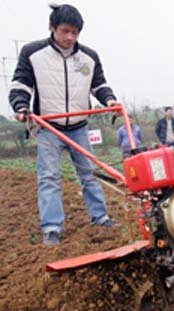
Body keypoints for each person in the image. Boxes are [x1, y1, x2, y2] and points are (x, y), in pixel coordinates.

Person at [9, 4, 118, 245]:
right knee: (49, 177)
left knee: (89, 174)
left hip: (79, 126)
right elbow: (21, 86)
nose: (70, 37)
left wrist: (110, 100)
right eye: (65, 31)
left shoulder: (89, 56)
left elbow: (98, 84)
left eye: (75, 32)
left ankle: (101, 219)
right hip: (48, 127)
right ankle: (51, 228)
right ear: (52, 27)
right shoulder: (33, 53)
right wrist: (20, 107)